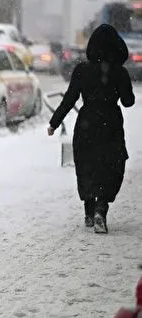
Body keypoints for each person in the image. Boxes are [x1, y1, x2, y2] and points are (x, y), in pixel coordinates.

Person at [48, 24, 134, 234]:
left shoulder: (82, 70)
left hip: (87, 122)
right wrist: (120, 84)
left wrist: (54, 122)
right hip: (111, 124)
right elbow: (128, 102)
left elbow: (70, 99)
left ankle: (88, 210)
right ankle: (101, 208)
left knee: (87, 165)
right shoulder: (119, 72)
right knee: (110, 166)